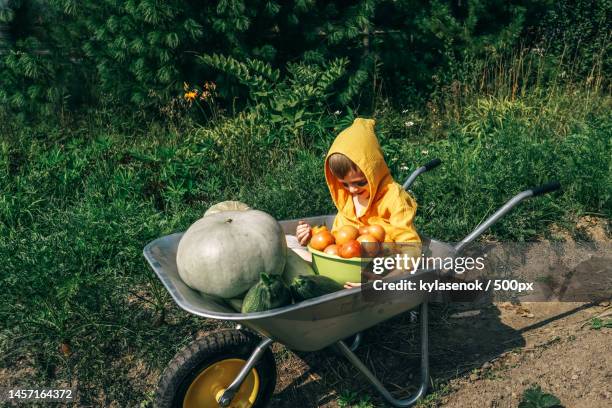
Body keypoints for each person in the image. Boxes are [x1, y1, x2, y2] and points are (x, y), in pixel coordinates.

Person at [293, 118, 421, 287]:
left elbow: (411, 249)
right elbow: (338, 241)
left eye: (360, 182)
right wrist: (312, 239)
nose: (352, 190)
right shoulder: (347, 200)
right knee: (293, 248)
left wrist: (387, 281)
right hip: (346, 267)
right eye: (344, 184)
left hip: (382, 269)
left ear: (374, 172)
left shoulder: (394, 198)